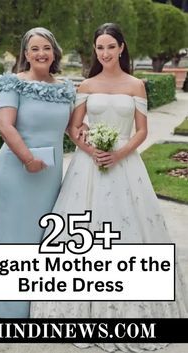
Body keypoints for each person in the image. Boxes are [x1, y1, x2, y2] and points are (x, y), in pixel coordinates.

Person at [30, 23, 188, 352]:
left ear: (121, 47)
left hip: (126, 164)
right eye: (99, 48)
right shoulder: (86, 84)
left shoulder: (137, 85)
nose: (104, 53)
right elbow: (74, 129)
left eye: (110, 47)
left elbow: (142, 131)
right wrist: (91, 151)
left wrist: (118, 154)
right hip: (88, 166)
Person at [0, 27, 75, 318]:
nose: (41, 53)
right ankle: (7, 307)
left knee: (41, 234)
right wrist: (28, 159)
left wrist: (101, 145)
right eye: (34, 49)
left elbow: (72, 130)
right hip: (18, 169)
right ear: (26, 54)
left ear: (55, 52)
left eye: (46, 47)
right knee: (15, 233)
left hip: (50, 172)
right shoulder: (12, 84)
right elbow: (6, 126)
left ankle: (36, 303)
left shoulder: (66, 88)